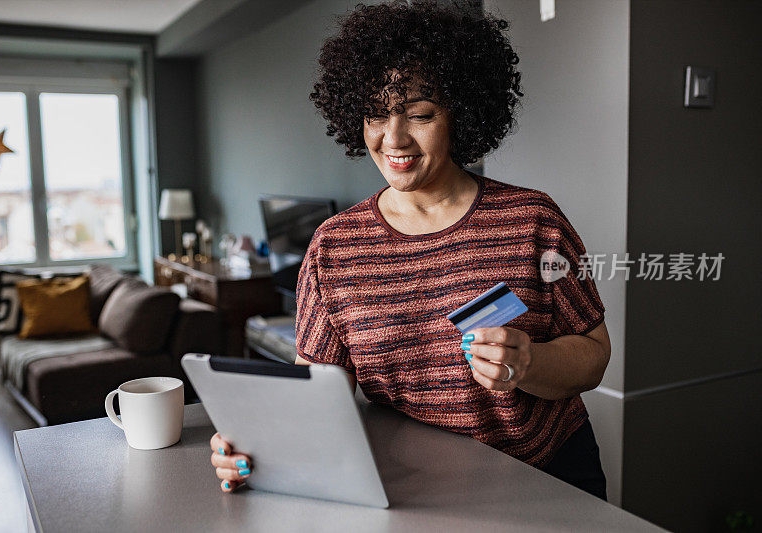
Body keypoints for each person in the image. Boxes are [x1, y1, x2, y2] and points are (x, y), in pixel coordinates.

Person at [209, 0, 611, 501]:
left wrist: (529, 364)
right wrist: (256, 448)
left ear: (460, 114)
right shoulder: (335, 247)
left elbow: (594, 357)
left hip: (545, 478)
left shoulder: (532, 221)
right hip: (417, 488)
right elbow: (316, 395)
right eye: (376, 114)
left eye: (420, 114)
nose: (393, 138)